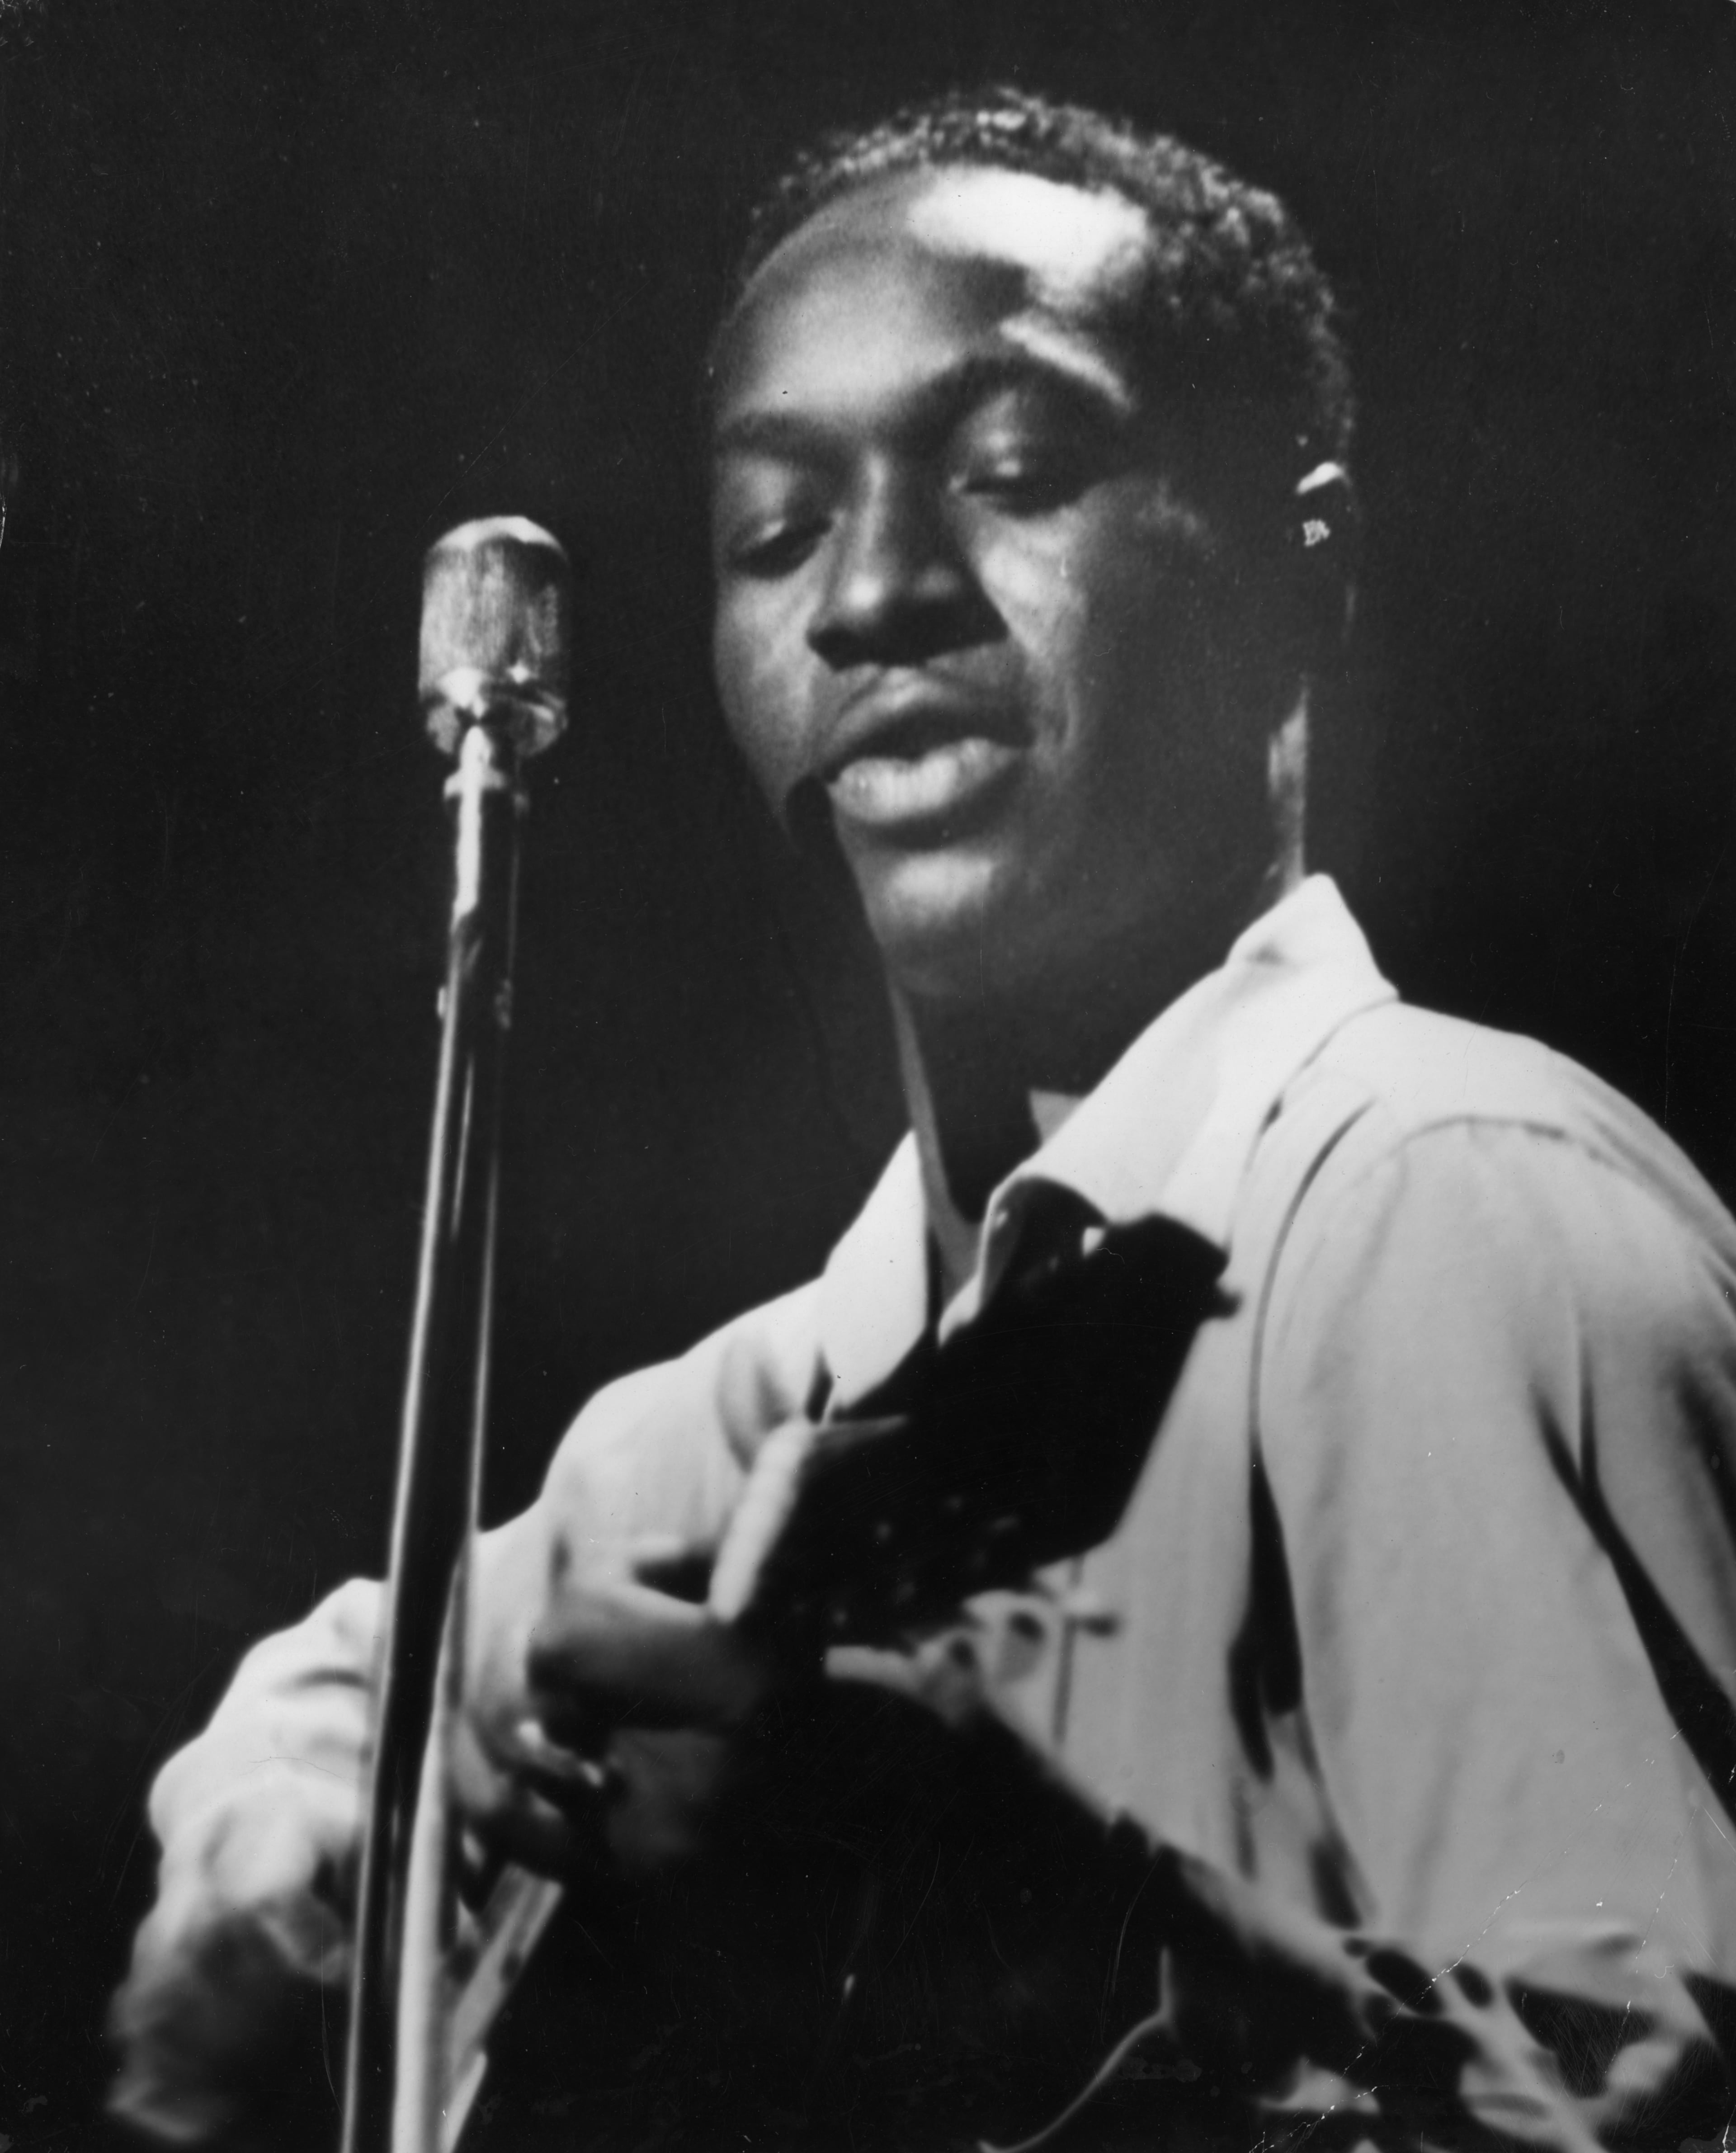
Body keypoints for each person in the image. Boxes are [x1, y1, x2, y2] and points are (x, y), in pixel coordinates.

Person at [110, 88, 1736, 2152]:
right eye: (775, 530)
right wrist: (284, 1875)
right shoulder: (732, 1424)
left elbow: (1668, 2100)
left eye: (1016, 469)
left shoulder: (1436, 1207)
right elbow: (348, 1691)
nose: (868, 593)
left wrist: (1040, 1940)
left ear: (1299, 566)